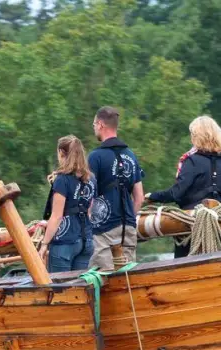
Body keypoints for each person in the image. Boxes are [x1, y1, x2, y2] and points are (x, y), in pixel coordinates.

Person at [149, 116, 221, 258]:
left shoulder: (192, 161)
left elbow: (177, 193)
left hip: (193, 229)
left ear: (197, 136)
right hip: (219, 227)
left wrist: (153, 196)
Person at [86, 106, 145, 269]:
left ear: (100, 124)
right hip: (128, 228)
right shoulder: (131, 155)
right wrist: (130, 218)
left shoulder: (95, 157)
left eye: (93, 125)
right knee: (128, 278)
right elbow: (139, 197)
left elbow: (88, 196)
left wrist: (89, 221)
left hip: (103, 231)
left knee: (102, 277)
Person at [37, 135, 96, 275]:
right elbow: (88, 212)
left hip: (65, 243)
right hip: (86, 241)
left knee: (60, 288)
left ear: (61, 153)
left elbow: (57, 216)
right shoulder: (91, 179)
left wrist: (45, 243)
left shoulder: (62, 180)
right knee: (78, 289)